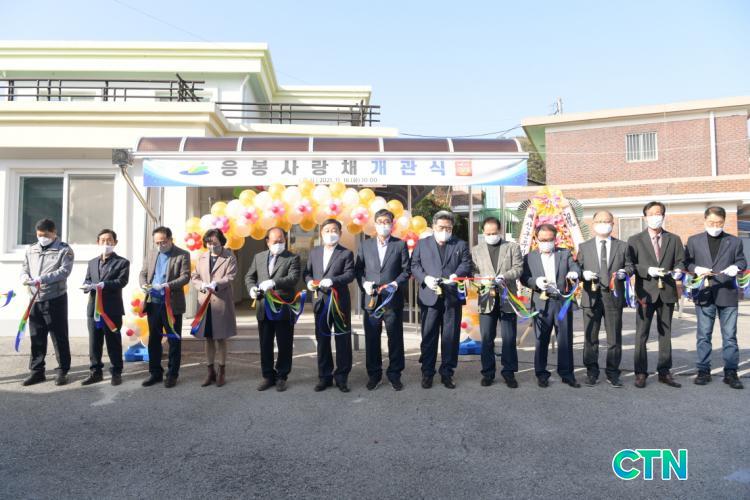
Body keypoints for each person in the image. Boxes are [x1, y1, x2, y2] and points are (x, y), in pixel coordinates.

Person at [684, 206, 746, 389]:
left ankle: (731, 372)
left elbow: (742, 261)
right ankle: (703, 370)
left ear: (724, 222)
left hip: (727, 293)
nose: (715, 226)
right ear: (705, 220)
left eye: (719, 223)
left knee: (730, 336)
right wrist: (696, 269)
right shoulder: (694, 240)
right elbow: (686, 262)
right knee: (704, 335)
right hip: (704, 293)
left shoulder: (734, 241)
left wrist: (736, 267)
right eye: (711, 222)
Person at [411, 210, 472, 389]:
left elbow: (466, 263)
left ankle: (447, 372)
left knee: (450, 337)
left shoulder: (460, 244)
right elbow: (414, 265)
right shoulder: (423, 244)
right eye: (441, 227)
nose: (444, 231)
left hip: (452, 297)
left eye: (448, 228)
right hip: (429, 296)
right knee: (429, 336)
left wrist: (457, 274)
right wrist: (425, 278)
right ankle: (427, 372)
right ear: (433, 226)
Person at [627, 201, 685, 389]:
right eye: (651, 214)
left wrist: (679, 270)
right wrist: (646, 270)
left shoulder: (674, 239)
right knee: (641, 334)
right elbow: (630, 264)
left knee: (665, 333)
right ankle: (640, 372)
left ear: (663, 216)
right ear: (645, 217)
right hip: (645, 293)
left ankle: (664, 372)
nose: (655, 217)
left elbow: (680, 261)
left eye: (658, 213)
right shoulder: (635, 240)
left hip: (667, 292)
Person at [355, 208, 411, 391]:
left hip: (392, 299)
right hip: (371, 299)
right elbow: (358, 269)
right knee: (372, 338)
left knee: (395, 337)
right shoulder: (365, 245)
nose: (384, 225)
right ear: (375, 224)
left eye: (387, 222)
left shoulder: (399, 245)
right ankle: (374, 374)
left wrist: (396, 283)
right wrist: (364, 283)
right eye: (380, 222)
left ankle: (395, 374)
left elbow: (406, 270)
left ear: (392, 224)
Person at [520, 223, 581, 388]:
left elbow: (575, 267)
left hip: (561, 301)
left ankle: (567, 374)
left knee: (565, 339)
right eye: (543, 239)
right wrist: (535, 282)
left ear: (555, 239)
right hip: (541, 301)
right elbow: (524, 278)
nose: (546, 243)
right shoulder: (529, 257)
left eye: (550, 239)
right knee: (541, 339)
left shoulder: (564, 253)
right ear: (536, 239)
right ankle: (541, 373)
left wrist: (574, 273)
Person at [576, 211, 633, 388]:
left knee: (614, 338)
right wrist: (582, 274)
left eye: (607, 221)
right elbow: (576, 268)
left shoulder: (622, 246)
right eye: (599, 221)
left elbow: (630, 266)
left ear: (612, 224)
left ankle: (613, 372)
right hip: (591, 296)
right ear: (593, 224)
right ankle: (591, 372)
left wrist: (625, 272)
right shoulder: (584, 247)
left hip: (613, 297)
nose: (603, 224)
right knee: (590, 337)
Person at [245, 227, 301, 392]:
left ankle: (282, 376)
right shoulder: (259, 257)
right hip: (263, 306)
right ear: (267, 242)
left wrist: (274, 283)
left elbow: (293, 278)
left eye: (281, 241)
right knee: (265, 343)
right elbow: (249, 276)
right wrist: (251, 288)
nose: (279, 244)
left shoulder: (292, 258)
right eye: (275, 241)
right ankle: (268, 376)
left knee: (284, 343)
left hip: (283, 306)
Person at [20, 218, 75, 386]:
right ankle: (37, 371)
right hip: (35, 298)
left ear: (54, 233)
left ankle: (62, 370)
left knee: (59, 336)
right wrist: (24, 277)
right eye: (39, 235)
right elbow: (25, 267)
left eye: (45, 235)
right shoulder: (31, 249)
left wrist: (42, 278)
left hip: (55, 298)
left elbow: (64, 271)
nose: (42, 238)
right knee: (36, 336)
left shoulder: (64, 250)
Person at [304, 219, 356, 392]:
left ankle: (342, 377)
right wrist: (309, 281)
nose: (330, 233)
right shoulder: (314, 252)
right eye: (327, 230)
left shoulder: (346, 253)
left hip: (339, 303)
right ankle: (324, 377)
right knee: (322, 340)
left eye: (334, 230)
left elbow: (350, 275)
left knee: (342, 340)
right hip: (321, 302)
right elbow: (307, 273)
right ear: (321, 233)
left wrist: (333, 280)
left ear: (340, 233)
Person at [470, 217, 523, 388]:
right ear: (483, 232)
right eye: (488, 233)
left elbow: (519, 268)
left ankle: (509, 373)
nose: (491, 235)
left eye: (494, 233)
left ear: (499, 231)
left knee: (509, 337)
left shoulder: (512, 247)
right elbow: (472, 272)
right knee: (487, 337)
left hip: (508, 297)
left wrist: (504, 276)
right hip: (487, 296)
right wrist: (482, 279)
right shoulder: (476, 250)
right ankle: (488, 373)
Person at [138, 226, 191, 388]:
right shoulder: (151, 254)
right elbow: (143, 273)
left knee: (173, 340)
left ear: (170, 239)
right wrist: (144, 285)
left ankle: (172, 374)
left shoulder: (182, 254)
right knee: (154, 339)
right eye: (157, 243)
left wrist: (167, 286)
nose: (160, 245)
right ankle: (155, 373)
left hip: (172, 304)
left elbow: (185, 277)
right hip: (153, 303)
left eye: (163, 242)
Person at [81, 229, 129, 386]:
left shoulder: (122, 262)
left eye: (109, 240)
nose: (106, 243)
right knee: (94, 342)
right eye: (103, 240)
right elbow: (88, 280)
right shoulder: (92, 262)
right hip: (93, 309)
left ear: (115, 242)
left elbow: (122, 281)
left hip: (112, 309)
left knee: (113, 341)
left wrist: (104, 285)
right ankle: (95, 372)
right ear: (98, 242)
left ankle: (116, 372)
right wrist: (87, 286)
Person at [190, 228, 238, 387]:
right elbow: (195, 276)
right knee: (208, 337)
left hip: (221, 301)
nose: (212, 246)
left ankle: (222, 370)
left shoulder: (229, 256)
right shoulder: (202, 257)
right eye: (209, 243)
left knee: (221, 338)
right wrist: (202, 285)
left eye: (215, 243)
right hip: (205, 302)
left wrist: (216, 284)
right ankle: (210, 371)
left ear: (221, 242)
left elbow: (230, 276)